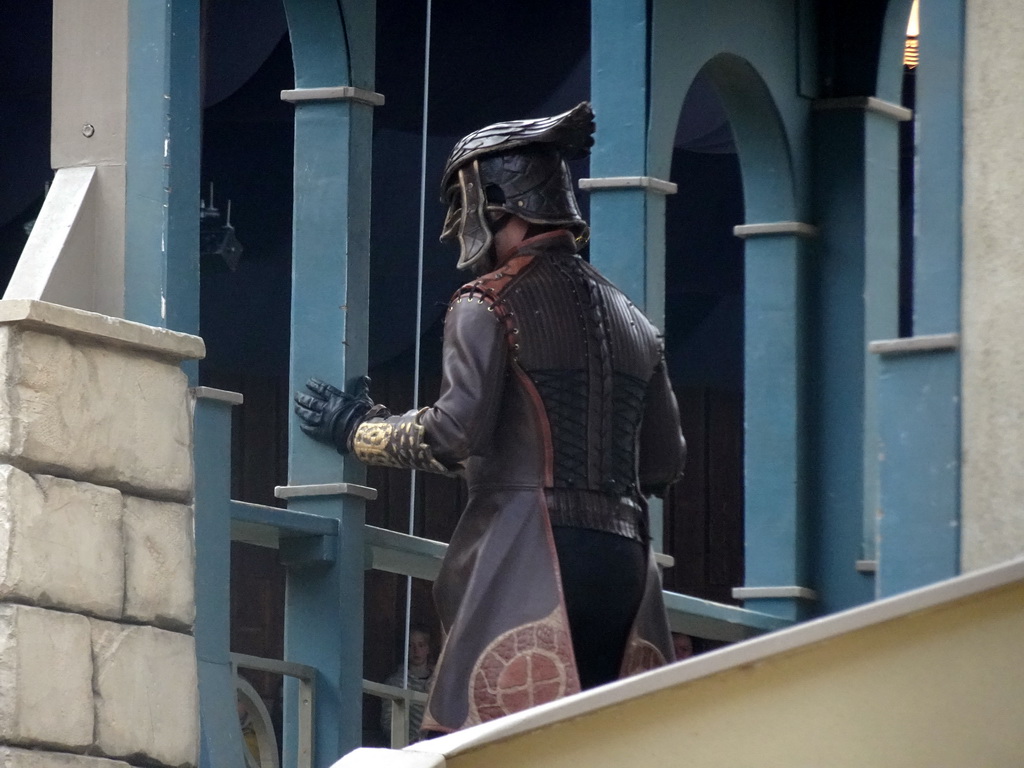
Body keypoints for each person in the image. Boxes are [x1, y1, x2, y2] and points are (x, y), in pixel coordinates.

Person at [295, 102, 686, 734]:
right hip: (626, 567)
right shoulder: (637, 322)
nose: (455, 225)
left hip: (528, 553)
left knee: (480, 743)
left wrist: (357, 429)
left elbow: (454, 433)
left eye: (460, 203)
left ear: (494, 201)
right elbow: (666, 464)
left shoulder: (486, 303)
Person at [380, 626, 434, 745]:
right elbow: (389, 723)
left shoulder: (439, 681)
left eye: (421, 645)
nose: (416, 651)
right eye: (410, 645)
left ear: (428, 648)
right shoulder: (396, 682)